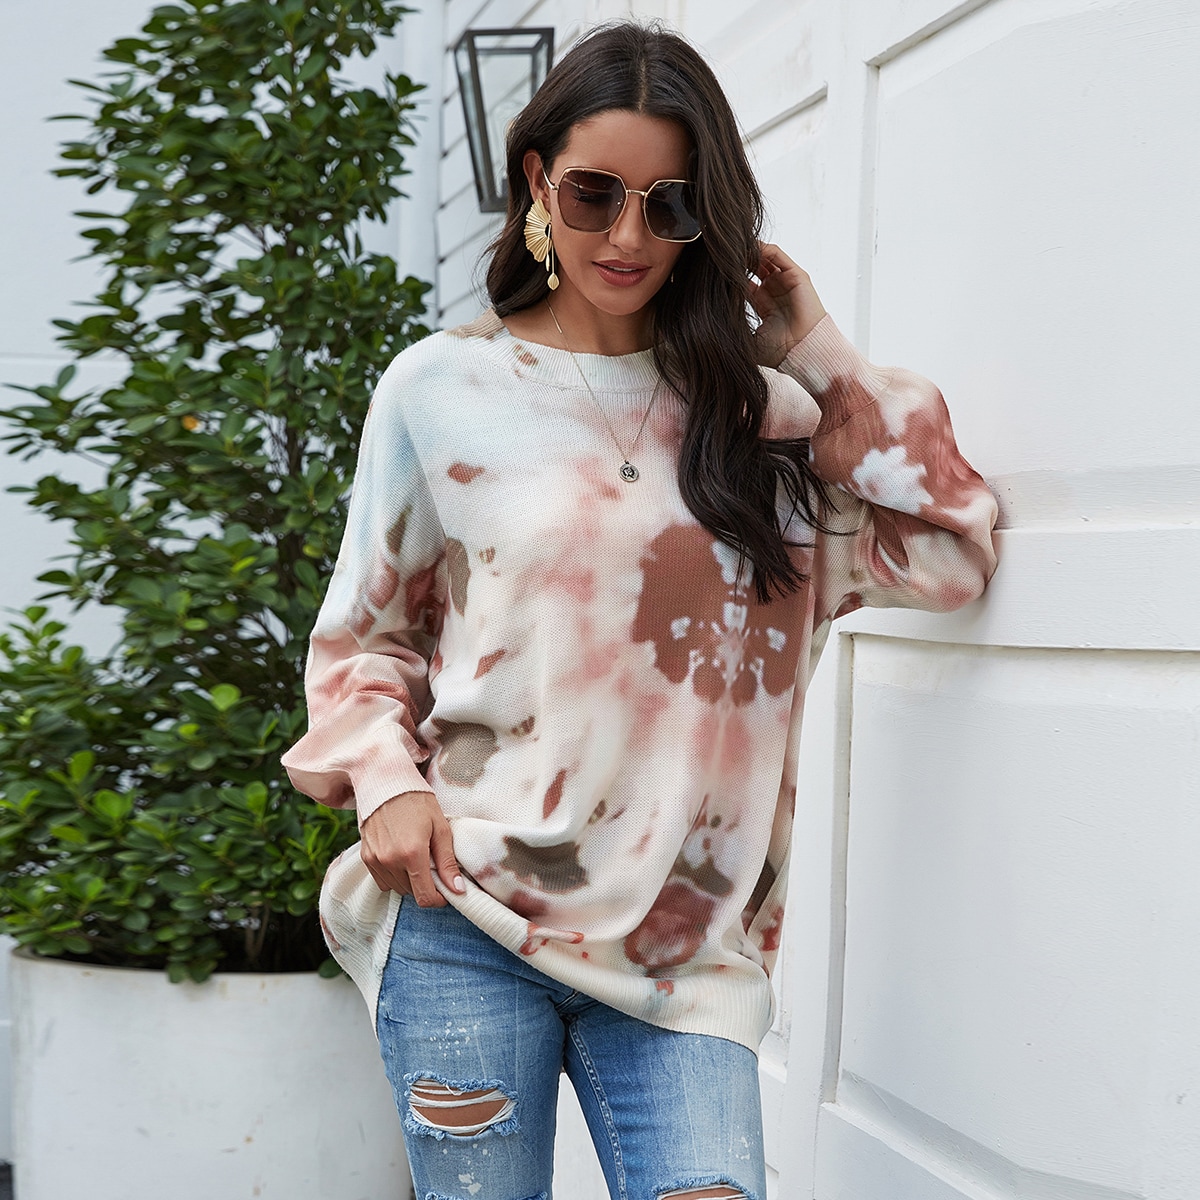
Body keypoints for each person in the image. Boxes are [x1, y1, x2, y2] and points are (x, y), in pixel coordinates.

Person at [282, 20, 998, 1200]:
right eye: (594, 194)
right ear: (536, 181)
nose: (626, 237)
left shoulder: (763, 422)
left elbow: (950, 550)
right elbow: (367, 639)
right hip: (468, 917)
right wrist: (388, 784)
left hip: (684, 958)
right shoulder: (441, 391)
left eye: (668, 206)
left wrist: (819, 356)